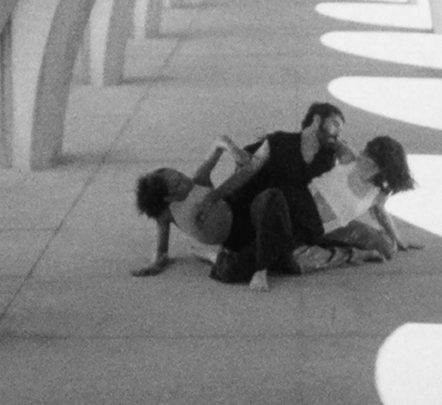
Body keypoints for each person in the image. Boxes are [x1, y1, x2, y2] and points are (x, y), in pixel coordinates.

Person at [211, 102, 380, 291]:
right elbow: (247, 172)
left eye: (340, 128)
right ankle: (260, 266)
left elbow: (355, 164)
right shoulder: (279, 141)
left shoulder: (327, 156)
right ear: (317, 120)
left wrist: (337, 140)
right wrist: (214, 196)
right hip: (263, 213)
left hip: (296, 224)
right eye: (335, 124)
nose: (338, 132)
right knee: (273, 197)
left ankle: (240, 262)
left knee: (233, 270)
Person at [131, 136, 267, 276]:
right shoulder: (167, 214)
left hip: (240, 213)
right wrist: (155, 264)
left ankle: (219, 256)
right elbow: (162, 253)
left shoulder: (198, 180)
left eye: (179, 174)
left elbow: (218, 144)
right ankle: (213, 257)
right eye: (178, 184)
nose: (185, 180)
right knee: (234, 268)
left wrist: (232, 149)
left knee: (255, 165)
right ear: (169, 198)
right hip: (230, 240)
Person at [313, 135, 423, 258]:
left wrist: (396, 238)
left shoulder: (378, 192)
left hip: (329, 228)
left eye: (366, 154)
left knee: (388, 246)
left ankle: (348, 253)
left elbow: (379, 210)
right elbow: (327, 136)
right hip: (302, 214)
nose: (360, 153)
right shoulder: (348, 158)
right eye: (365, 150)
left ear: (379, 166)